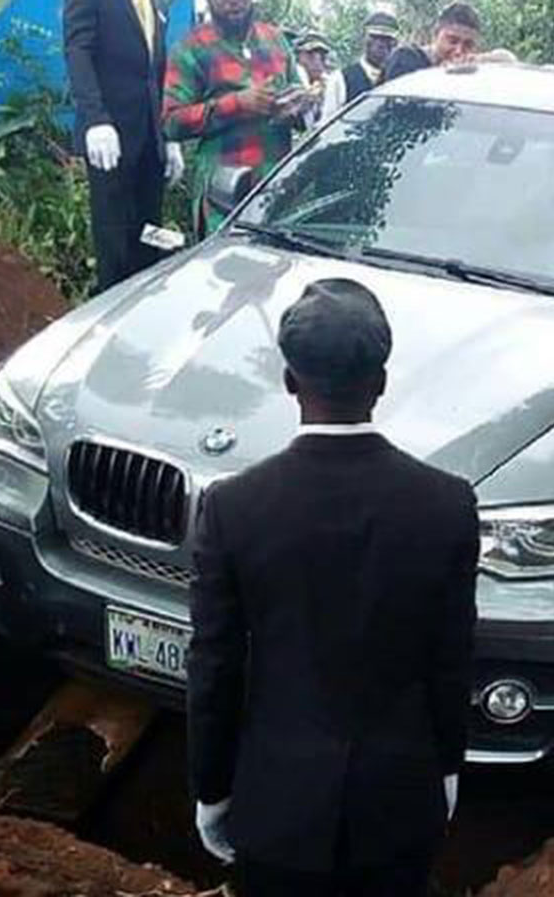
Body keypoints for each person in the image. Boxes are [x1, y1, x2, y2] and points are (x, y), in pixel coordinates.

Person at [188, 279, 478, 896]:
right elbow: (450, 661)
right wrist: (446, 769)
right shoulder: (448, 505)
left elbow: (214, 668)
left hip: (276, 809)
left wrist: (212, 789)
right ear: (381, 382)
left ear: (290, 382)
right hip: (399, 804)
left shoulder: (233, 508)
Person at [64, 0, 186, 295]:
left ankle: (144, 314)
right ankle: (112, 321)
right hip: (110, 138)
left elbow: (154, 69)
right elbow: (78, 50)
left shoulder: (157, 4)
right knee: (114, 241)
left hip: (149, 138)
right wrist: (95, 118)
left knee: (148, 238)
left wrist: (169, 136)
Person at [162, 0, 302, 237]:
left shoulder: (276, 40)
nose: (233, 2)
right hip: (224, 196)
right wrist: (237, 105)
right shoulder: (191, 48)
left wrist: (297, 107)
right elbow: (171, 122)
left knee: (277, 270)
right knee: (223, 269)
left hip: (277, 189)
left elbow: (297, 92)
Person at [319, 10, 401, 120]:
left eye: (386, 39)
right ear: (364, 39)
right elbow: (327, 123)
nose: (380, 44)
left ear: (394, 43)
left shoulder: (399, 81)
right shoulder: (340, 79)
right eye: (375, 37)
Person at [383, 2, 482, 81]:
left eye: (468, 45)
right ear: (435, 34)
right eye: (452, 41)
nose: (459, 51)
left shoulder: (469, 72)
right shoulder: (404, 58)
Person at [293, 31, 332, 130]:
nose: (317, 62)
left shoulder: (328, 84)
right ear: (298, 56)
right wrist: (309, 98)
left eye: (322, 57)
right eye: (311, 55)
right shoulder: (291, 81)